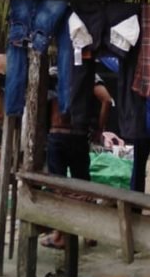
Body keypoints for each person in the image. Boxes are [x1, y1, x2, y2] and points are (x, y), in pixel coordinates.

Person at [40, 70, 112, 250]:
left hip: (58, 134)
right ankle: (89, 233)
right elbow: (106, 99)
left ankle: (59, 235)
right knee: (83, 185)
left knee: (58, 187)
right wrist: (99, 129)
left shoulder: (54, 73)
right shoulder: (87, 74)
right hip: (78, 136)